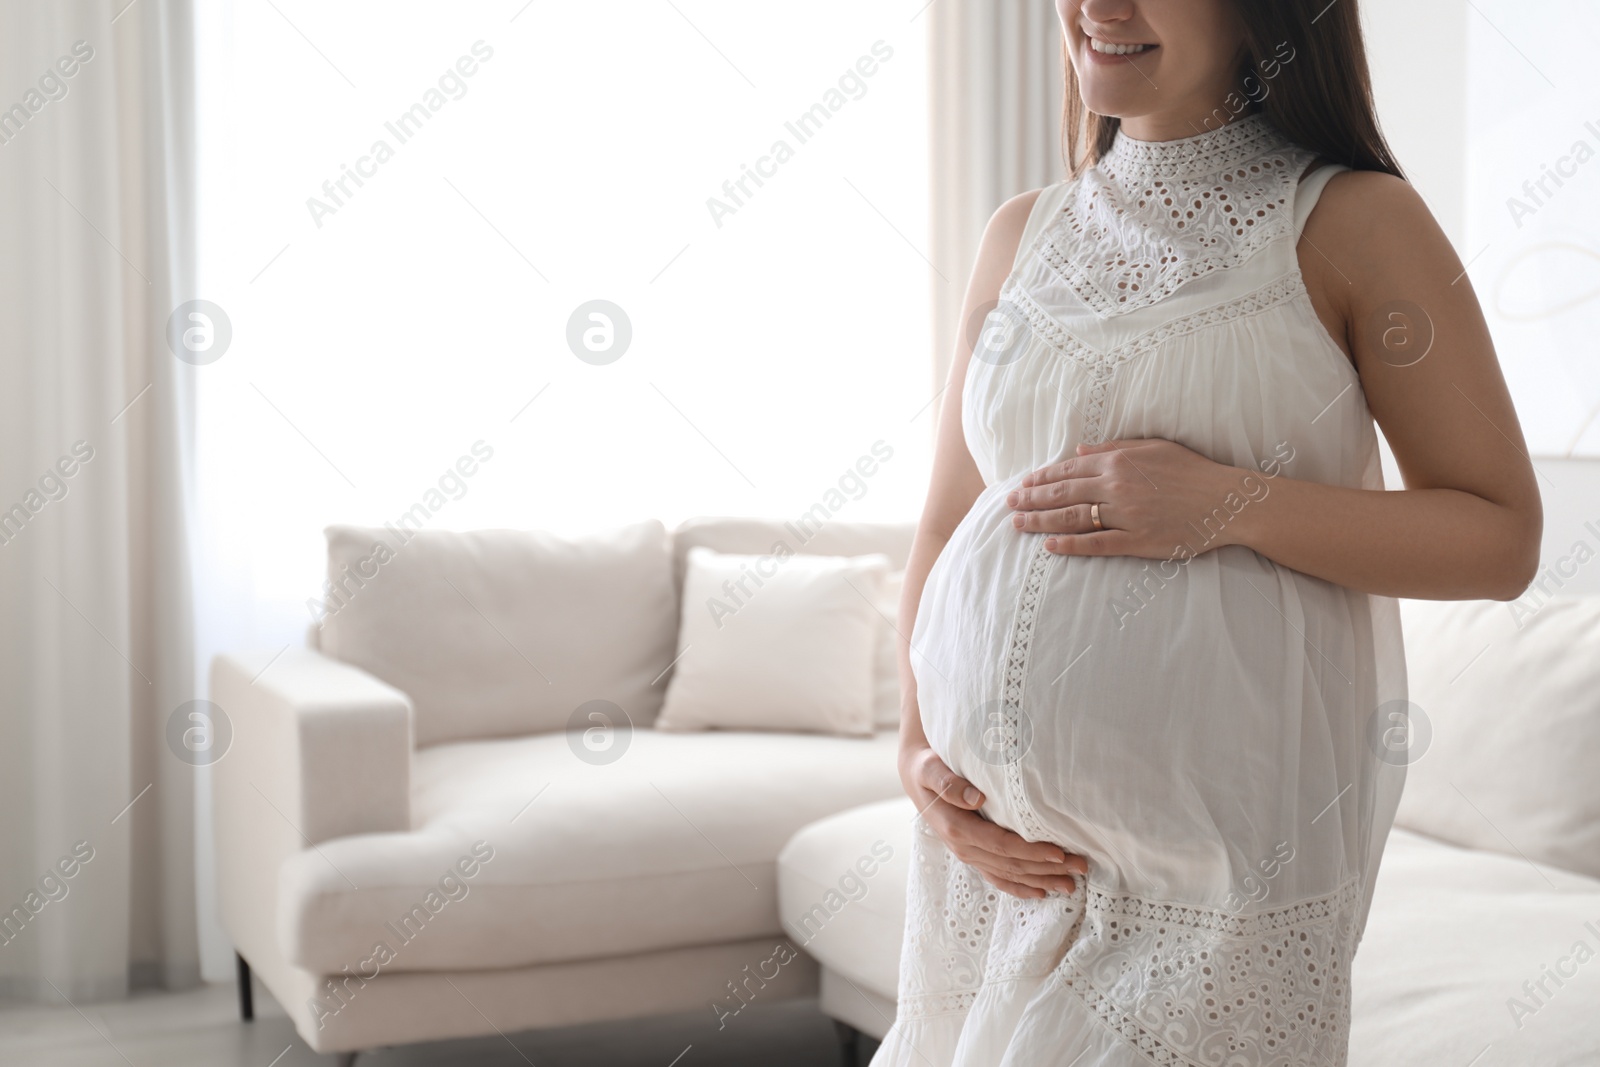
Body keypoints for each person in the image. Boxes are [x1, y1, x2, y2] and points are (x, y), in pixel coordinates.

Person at [877, 0, 1542, 1063]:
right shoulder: (1021, 230)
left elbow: (1497, 537)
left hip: (1220, 885)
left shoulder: (1356, 223)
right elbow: (947, 525)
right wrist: (917, 753)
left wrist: (1222, 504)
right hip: (995, 862)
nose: (1099, 8)